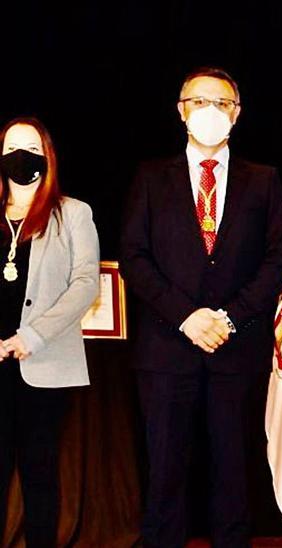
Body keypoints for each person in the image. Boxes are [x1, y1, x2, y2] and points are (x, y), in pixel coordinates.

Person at [120, 67, 282, 548]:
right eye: (200, 102)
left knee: (233, 478)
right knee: (165, 477)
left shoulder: (264, 180)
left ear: (237, 114)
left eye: (221, 104)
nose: (210, 112)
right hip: (165, 352)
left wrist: (229, 317)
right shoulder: (151, 177)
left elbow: (280, 260)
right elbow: (134, 257)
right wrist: (186, 316)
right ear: (181, 111)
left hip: (237, 353)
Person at [0, 118, 100, 548]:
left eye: (31, 145)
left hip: (41, 366)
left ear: (47, 154)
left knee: (40, 475)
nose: (21, 154)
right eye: (11, 146)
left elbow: (85, 285)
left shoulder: (73, 213)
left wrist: (32, 337)